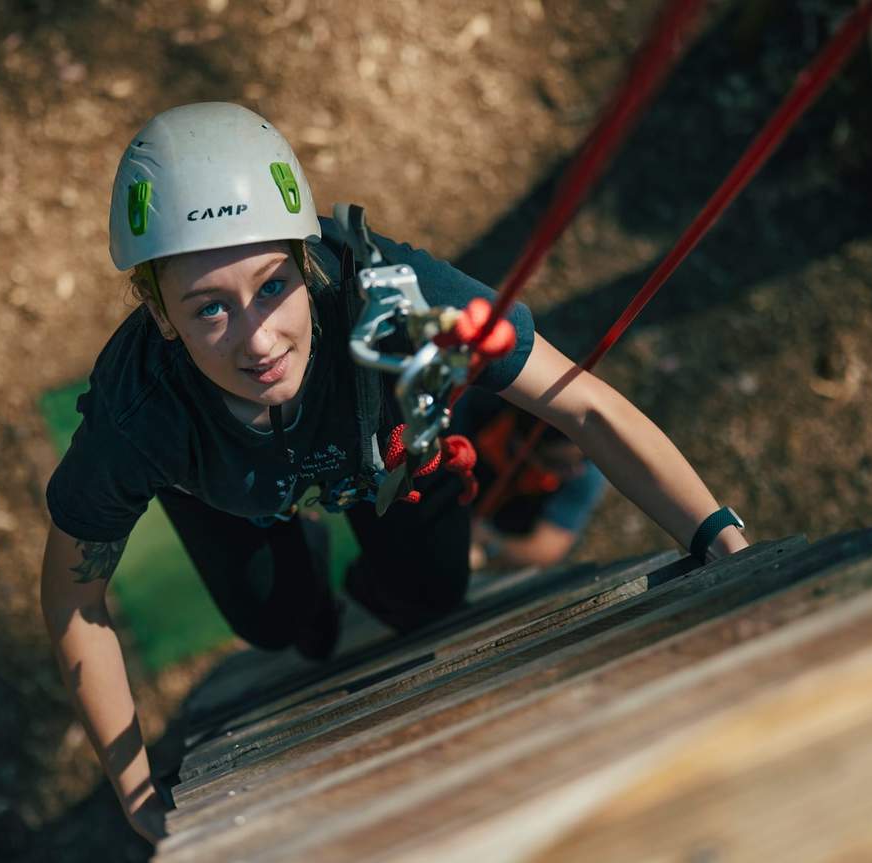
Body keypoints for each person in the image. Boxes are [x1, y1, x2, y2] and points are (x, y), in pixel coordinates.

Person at [37, 102, 750, 844]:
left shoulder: (397, 297)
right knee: (274, 619)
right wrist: (134, 785)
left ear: (306, 257)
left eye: (273, 285)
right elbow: (72, 593)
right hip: (226, 492)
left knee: (431, 589)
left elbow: (583, 407)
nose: (257, 340)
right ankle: (307, 600)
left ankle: (357, 589)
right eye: (208, 309)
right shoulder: (140, 412)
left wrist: (713, 529)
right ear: (159, 316)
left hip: (387, 455)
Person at [448, 387, 607, 572]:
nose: (575, 472)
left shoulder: (586, 472)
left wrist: (490, 546)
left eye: (584, 458)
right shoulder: (474, 408)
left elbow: (546, 548)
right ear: (521, 445)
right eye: (554, 464)